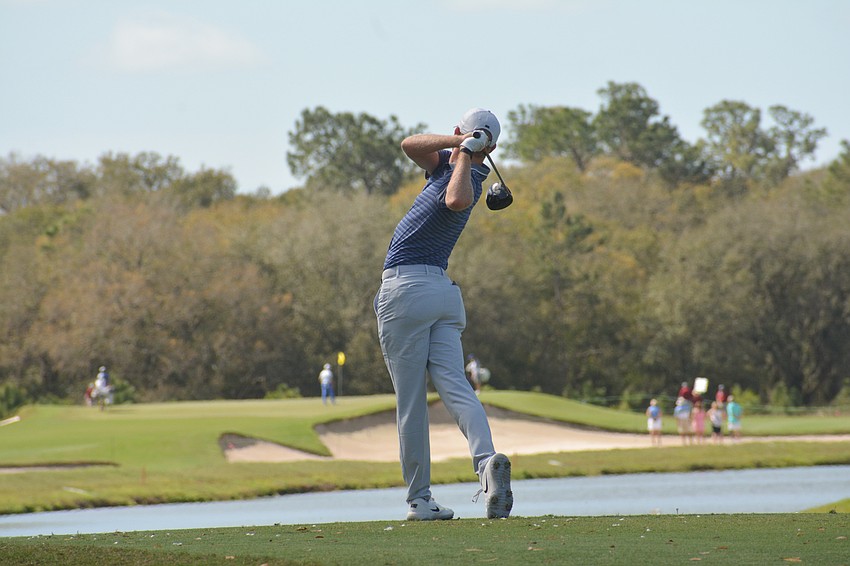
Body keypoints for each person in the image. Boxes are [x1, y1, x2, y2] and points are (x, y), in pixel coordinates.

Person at [374, 108, 512, 521]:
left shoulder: (466, 177)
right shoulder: (444, 164)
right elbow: (408, 144)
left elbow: (455, 201)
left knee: (411, 401)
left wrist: (468, 156)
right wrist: (460, 145)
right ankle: (486, 464)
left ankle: (419, 500)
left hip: (407, 291)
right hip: (440, 294)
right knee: (455, 385)